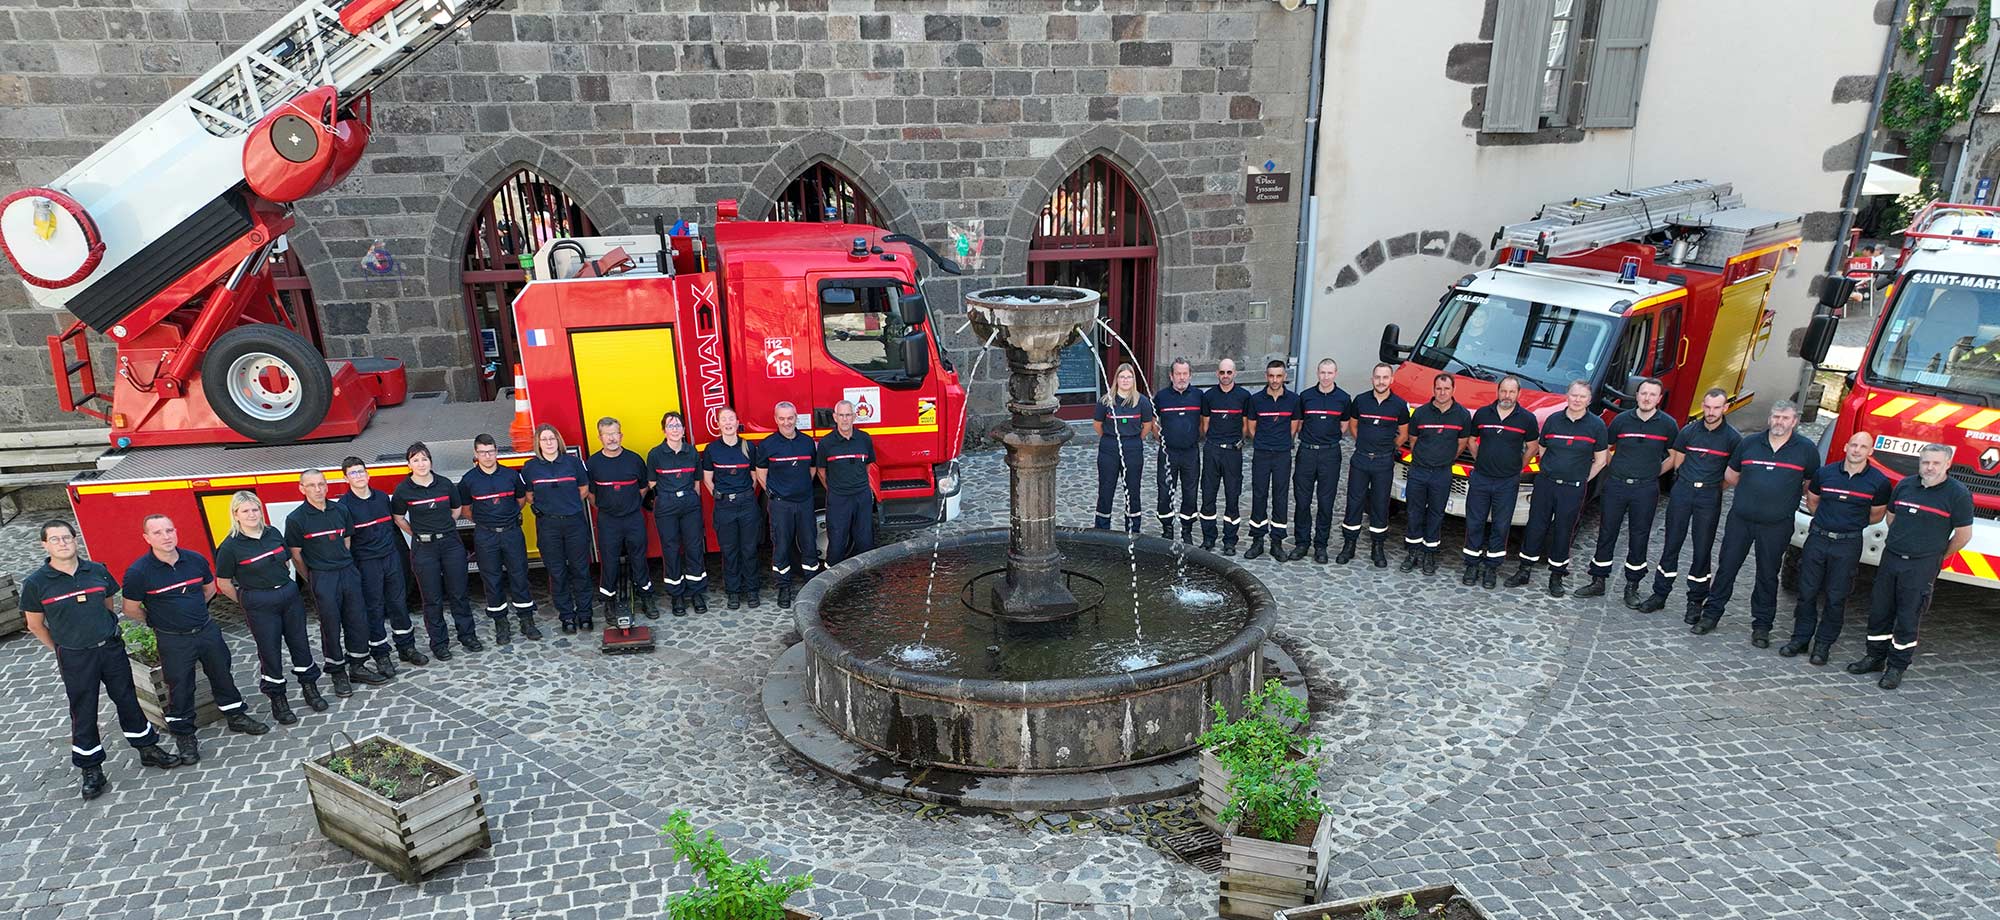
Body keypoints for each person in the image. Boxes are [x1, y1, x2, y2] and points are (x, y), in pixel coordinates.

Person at [21, 520, 180, 798]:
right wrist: (61, 648)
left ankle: (147, 748)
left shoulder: (97, 571)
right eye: (55, 539)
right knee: (83, 710)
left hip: (110, 649)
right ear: (44, 545)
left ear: (75, 540)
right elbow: (35, 625)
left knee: (127, 699)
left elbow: (107, 607)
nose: (62, 543)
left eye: (66, 537)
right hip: (75, 656)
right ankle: (91, 768)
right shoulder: (36, 583)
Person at [123, 514, 270, 765]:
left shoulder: (195, 560)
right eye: (158, 533)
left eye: (169, 530)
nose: (166, 536)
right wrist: (159, 621)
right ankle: (184, 735)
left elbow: (209, 589)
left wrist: (194, 612)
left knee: (222, 673)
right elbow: (130, 608)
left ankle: (235, 715)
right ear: (146, 538)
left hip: (206, 630)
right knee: (180, 686)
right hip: (173, 639)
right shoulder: (138, 572)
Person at [1849, 443, 1974, 689]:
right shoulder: (1905, 485)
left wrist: (1936, 555)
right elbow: (1892, 517)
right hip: (1892, 558)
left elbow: (1963, 536)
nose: (1930, 467)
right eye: (1925, 462)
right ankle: (1874, 657)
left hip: (1922, 565)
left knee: (1908, 616)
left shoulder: (1957, 494)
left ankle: (1896, 666)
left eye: (1936, 463)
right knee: (1880, 609)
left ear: (1948, 464)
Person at [1694, 400, 1819, 643]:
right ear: (1769, 418)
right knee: (1726, 568)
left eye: (1785, 418)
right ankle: (1710, 615)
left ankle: (1762, 626)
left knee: (1767, 575)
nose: (1779, 422)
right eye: (1776, 416)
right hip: (1741, 520)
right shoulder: (1749, 443)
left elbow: (1809, 485)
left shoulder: (1806, 450)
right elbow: (1732, 475)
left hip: (1777, 525)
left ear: (1794, 421)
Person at [214, 492, 326, 726]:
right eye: (245, 511)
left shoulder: (273, 533)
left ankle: (310, 689)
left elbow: (285, 561)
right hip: (259, 603)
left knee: (300, 645)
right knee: (270, 653)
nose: (251, 514)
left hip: (288, 596)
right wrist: (247, 601)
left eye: (255, 509)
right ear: (235, 514)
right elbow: (223, 583)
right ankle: (278, 700)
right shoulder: (229, 547)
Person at [1786, 432, 1892, 663]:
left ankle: (1823, 645)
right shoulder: (1825, 473)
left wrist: (1847, 525)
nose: (1857, 450)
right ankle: (1800, 638)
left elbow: (1876, 515)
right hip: (1818, 539)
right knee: (1806, 592)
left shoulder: (1879, 482)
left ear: (1870, 452)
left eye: (1863, 447)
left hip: (1848, 543)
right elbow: (1813, 501)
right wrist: (1828, 522)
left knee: (1836, 596)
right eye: (1853, 445)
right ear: (1845, 447)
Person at [1636, 389, 1740, 616]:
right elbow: (1678, 462)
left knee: (1702, 548)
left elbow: (1732, 474)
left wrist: (1712, 487)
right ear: (1703, 405)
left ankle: (1695, 601)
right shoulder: (1688, 431)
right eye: (1708, 407)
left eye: (1716, 408)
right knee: (1671, 544)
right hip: (1683, 492)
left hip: (1709, 496)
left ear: (1725, 408)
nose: (1711, 412)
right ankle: (1660, 594)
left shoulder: (1733, 438)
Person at [291, 469, 394, 695]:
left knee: (357, 620)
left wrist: (343, 564)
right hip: (322, 576)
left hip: (347, 572)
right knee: (330, 625)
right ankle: (337, 671)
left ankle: (357, 665)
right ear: (302, 489)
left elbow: (347, 540)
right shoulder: (296, 519)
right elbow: (296, 555)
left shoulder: (340, 510)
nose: (318, 489)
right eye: (311, 485)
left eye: (321, 484)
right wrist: (313, 578)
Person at [1576, 379, 1677, 605]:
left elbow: (1674, 456)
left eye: (1652, 394)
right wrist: (1616, 467)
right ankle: (1598, 580)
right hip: (1616, 485)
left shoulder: (1668, 425)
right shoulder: (1621, 420)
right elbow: (1605, 448)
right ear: (1637, 395)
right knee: (1607, 531)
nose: (1647, 398)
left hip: (1646, 488)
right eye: (1643, 393)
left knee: (1639, 536)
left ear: (1659, 399)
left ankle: (1632, 585)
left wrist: (1654, 473)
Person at [1506, 380, 1610, 597]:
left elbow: (1601, 460)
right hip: (1546, 483)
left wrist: (1582, 479)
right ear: (1567, 396)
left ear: (1589, 400)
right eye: (1574, 395)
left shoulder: (1597, 426)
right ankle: (1524, 570)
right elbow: (1543, 449)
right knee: (1535, 526)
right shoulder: (1553, 420)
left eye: (1582, 397)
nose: (1577, 400)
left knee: (1563, 530)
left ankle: (1556, 576)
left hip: (1572, 488)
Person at [393, 444, 481, 657]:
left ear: (430, 461)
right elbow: (398, 518)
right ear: (409, 464)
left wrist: (445, 527)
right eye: (415, 460)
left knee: (459, 593)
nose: (421, 464)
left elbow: (456, 509)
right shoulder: (403, 490)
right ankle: (439, 643)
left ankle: (467, 635)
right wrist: (417, 533)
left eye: (424, 459)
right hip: (424, 548)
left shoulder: (445, 484)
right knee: (432, 598)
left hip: (450, 544)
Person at [338, 458, 426, 668]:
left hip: (390, 558)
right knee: (374, 608)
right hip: (366, 563)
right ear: (346, 478)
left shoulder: (382, 498)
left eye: (361, 471)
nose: (358, 476)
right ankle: (381, 654)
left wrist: (401, 556)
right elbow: (346, 541)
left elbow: (393, 529)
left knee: (398, 603)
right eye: (353, 473)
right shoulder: (343, 506)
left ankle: (406, 647)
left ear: (368, 474)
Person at [459, 435, 542, 643]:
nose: (487, 456)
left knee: (519, 575)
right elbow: (466, 510)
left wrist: (508, 518)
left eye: (491, 451)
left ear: (496, 452)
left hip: (511, 532)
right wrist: (485, 522)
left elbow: (520, 500)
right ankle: (501, 623)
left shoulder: (511, 475)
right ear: (476, 454)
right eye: (482, 452)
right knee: (492, 579)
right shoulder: (468, 480)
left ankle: (527, 620)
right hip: (486, 535)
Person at [1463, 376, 1540, 587]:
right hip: (1481, 478)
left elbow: (1533, 446)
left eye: (1511, 392)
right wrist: (1480, 459)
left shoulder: (1527, 419)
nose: (1507, 396)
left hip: (1507, 481)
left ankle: (1491, 568)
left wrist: (1519, 466)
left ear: (1518, 394)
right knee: (1475, 521)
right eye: (1504, 391)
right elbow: (1471, 440)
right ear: (1497, 392)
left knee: (1501, 524)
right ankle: (1471, 564)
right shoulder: (1482, 413)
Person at [522, 424, 594, 633]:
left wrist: (567, 504)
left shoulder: (573, 463)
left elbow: (584, 489)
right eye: (544, 439)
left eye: (552, 438)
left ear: (558, 440)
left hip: (574, 523)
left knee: (580, 570)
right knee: (557, 572)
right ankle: (567, 616)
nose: (549, 443)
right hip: (548, 525)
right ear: (538, 443)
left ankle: (585, 614)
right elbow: (529, 496)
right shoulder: (530, 467)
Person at [1398, 373, 1471, 575]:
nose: (1442, 393)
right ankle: (1413, 552)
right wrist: (1424, 458)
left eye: (1446, 389)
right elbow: (1413, 440)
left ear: (1453, 390)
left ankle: (1430, 553)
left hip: (1442, 472)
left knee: (1436, 513)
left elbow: (1462, 443)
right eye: (1439, 388)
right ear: (1433, 389)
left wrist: (1445, 459)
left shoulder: (1462, 415)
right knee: (1414, 511)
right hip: (1418, 470)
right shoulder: (1420, 413)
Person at [588, 417, 657, 623]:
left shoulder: (634, 459)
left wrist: (631, 504)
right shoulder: (593, 463)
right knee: (609, 562)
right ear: (600, 437)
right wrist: (607, 507)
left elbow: (644, 487)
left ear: (621, 435)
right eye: (607, 434)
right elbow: (590, 494)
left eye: (615, 433)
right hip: (608, 520)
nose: (611, 438)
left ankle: (646, 596)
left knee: (639, 558)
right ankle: (609, 601)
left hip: (633, 518)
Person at [1340, 363, 1409, 567]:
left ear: (1391, 380)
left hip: (1383, 462)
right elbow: (1353, 426)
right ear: (1372, 379)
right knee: (1354, 502)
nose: (1381, 381)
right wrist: (1364, 443)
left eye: (1385, 377)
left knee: (1380, 504)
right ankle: (1349, 545)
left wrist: (1388, 448)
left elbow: (1404, 434)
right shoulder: (1361, 400)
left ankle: (1377, 547)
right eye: (1377, 377)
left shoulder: (1399, 405)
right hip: (1361, 459)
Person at [758, 401, 820, 608]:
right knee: (781, 545)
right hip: (781, 504)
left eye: (790, 418)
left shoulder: (807, 442)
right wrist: (775, 494)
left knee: (809, 543)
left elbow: (812, 469)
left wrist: (800, 487)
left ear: (796, 418)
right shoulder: (768, 444)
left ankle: (812, 585)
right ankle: (784, 587)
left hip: (804, 502)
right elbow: (761, 474)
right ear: (776, 419)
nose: (787, 422)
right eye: (782, 418)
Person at [649, 411, 709, 617]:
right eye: (670, 426)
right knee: (671, 549)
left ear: (684, 430)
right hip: (666, 505)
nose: (674, 429)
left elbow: (697, 483)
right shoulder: (655, 454)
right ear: (664, 430)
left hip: (690, 504)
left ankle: (697, 592)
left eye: (678, 426)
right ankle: (677, 595)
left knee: (694, 547)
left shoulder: (692, 452)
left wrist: (691, 501)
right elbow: (652, 483)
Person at [1288, 358, 1349, 563]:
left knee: (1326, 502)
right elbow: (1299, 423)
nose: (1326, 377)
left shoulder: (1343, 398)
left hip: (1330, 455)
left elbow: (1344, 426)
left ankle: (1321, 545)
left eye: (1329, 373)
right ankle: (1302, 543)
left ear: (1335, 374)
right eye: (1322, 372)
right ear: (1317, 373)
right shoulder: (1305, 397)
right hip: (1307, 452)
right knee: (1302, 500)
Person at [704, 407, 763, 609]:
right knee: (729, 551)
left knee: (749, 549)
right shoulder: (712, 449)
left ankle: (752, 590)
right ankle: (733, 592)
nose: (728, 423)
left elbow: (755, 477)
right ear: (718, 424)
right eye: (724, 420)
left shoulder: (749, 447)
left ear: (737, 423)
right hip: (724, 507)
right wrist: (721, 497)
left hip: (747, 505)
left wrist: (743, 494)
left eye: (731, 419)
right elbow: (707, 479)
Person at [1243, 359, 1301, 560]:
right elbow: (1251, 427)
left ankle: (1277, 542)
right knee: (1259, 495)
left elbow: (1294, 427)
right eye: (1271, 376)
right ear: (1266, 376)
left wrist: (1281, 442)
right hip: (1262, 453)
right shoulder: (1256, 400)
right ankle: (1257, 540)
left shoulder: (1293, 400)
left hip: (1282, 454)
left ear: (1284, 377)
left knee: (1280, 496)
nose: (1275, 380)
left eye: (1278, 376)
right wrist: (1263, 442)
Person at [1094, 364, 1156, 533]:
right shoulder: (1105, 401)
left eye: (1129, 377)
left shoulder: (1142, 401)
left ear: (1133, 379)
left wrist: (1132, 439)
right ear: (1116, 379)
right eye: (1122, 377)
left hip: (1133, 448)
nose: (1125, 380)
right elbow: (1098, 425)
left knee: (1133, 490)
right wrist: (1112, 439)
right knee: (1106, 490)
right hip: (1109, 447)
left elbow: (1147, 426)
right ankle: (1101, 531)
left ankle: (1132, 530)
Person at [817, 399, 880, 565]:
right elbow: (821, 472)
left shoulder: (864, 439)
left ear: (854, 417)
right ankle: (832, 575)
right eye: (841, 415)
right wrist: (835, 489)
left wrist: (857, 482)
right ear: (835, 417)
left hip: (861, 496)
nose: (844, 419)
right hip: (839, 498)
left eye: (848, 415)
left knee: (865, 541)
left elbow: (867, 465)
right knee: (837, 542)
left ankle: (864, 575)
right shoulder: (826, 443)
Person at [1199, 358, 1252, 554]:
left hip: (1233, 452)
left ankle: (1230, 541)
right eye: (1222, 372)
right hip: (1212, 450)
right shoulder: (1209, 396)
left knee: (1232, 496)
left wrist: (1236, 442)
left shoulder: (1244, 396)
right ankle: (1208, 538)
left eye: (1229, 372)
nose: (1226, 376)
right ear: (1217, 374)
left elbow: (1245, 426)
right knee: (1208, 495)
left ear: (1235, 373)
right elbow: (1205, 425)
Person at [1153, 358, 1203, 542]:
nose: (1181, 377)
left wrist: (1194, 437)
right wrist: (1161, 439)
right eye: (1178, 374)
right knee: (1165, 491)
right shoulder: (1161, 397)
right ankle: (1167, 528)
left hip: (1191, 452)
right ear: (1171, 376)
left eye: (1185, 374)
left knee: (1190, 492)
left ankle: (1187, 530)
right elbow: (1153, 421)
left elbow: (1204, 422)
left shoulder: (1199, 396)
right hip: (1168, 453)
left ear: (1190, 375)